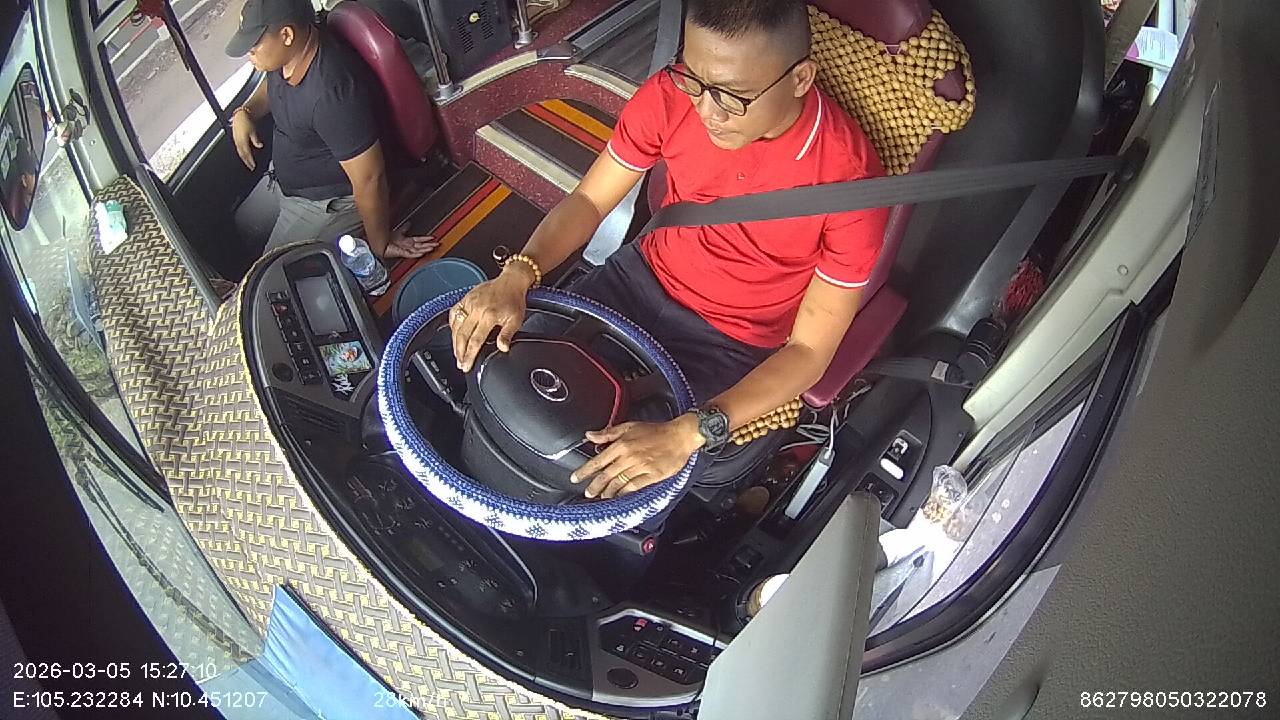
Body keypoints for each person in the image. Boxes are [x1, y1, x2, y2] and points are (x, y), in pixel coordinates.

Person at [451, 0, 889, 503]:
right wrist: (517, 275)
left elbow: (809, 352)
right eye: (695, 80)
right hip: (636, 277)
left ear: (800, 78)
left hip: (729, 340)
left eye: (733, 96)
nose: (706, 111)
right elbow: (591, 201)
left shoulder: (850, 186)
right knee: (503, 361)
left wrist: (690, 432)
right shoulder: (670, 95)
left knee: (617, 473)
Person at [224, 0, 436, 259]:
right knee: (244, 225)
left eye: (254, 44)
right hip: (285, 179)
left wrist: (379, 244)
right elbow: (272, 84)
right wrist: (245, 112)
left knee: (272, 271)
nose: (249, 53)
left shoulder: (332, 94)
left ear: (287, 35)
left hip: (322, 203)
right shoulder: (289, 55)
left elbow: (370, 178)